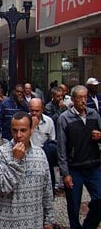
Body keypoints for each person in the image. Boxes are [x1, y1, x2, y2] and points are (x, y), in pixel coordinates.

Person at [0, 111, 54, 228]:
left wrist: (48, 219)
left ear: (31, 129)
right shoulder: (0, 153)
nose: (18, 135)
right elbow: (2, 188)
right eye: (15, 130)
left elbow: (47, 189)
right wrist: (15, 161)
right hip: (8, 223)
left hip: (34, 222)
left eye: (23, 130)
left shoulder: (40, 154)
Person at [57, 85, 101, 229]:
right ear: (73, 99)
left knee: (100, 199)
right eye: (80, 97)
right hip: (74, 168)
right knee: (74, 206)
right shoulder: (65, 118)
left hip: (94, 165)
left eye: (85, 97)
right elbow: (61, 148)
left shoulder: (94, 115)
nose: (83, 100)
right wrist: (65, 173)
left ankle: (88, 226)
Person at [29, 98, 58, 194]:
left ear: (42, 109)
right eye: (31, 110)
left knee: (48, 188)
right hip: (29, 159)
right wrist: (32, 127)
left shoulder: (49, 121)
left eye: (36, 111)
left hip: (45, 159)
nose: (34, 113)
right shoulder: (24, 120)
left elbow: (52, 140)